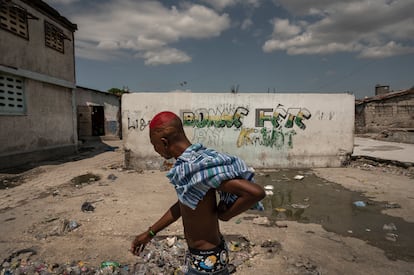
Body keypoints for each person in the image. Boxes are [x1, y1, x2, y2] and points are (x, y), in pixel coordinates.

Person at [131, 111, 265, 275]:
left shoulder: (196, 167)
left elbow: (255, 192)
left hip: (206, 261)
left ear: (164, 142)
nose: (156, 150)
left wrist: (226, 215)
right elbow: (183, 204)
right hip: (205, 256)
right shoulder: (191, 164)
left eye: (155, 145)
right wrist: (150, 233)